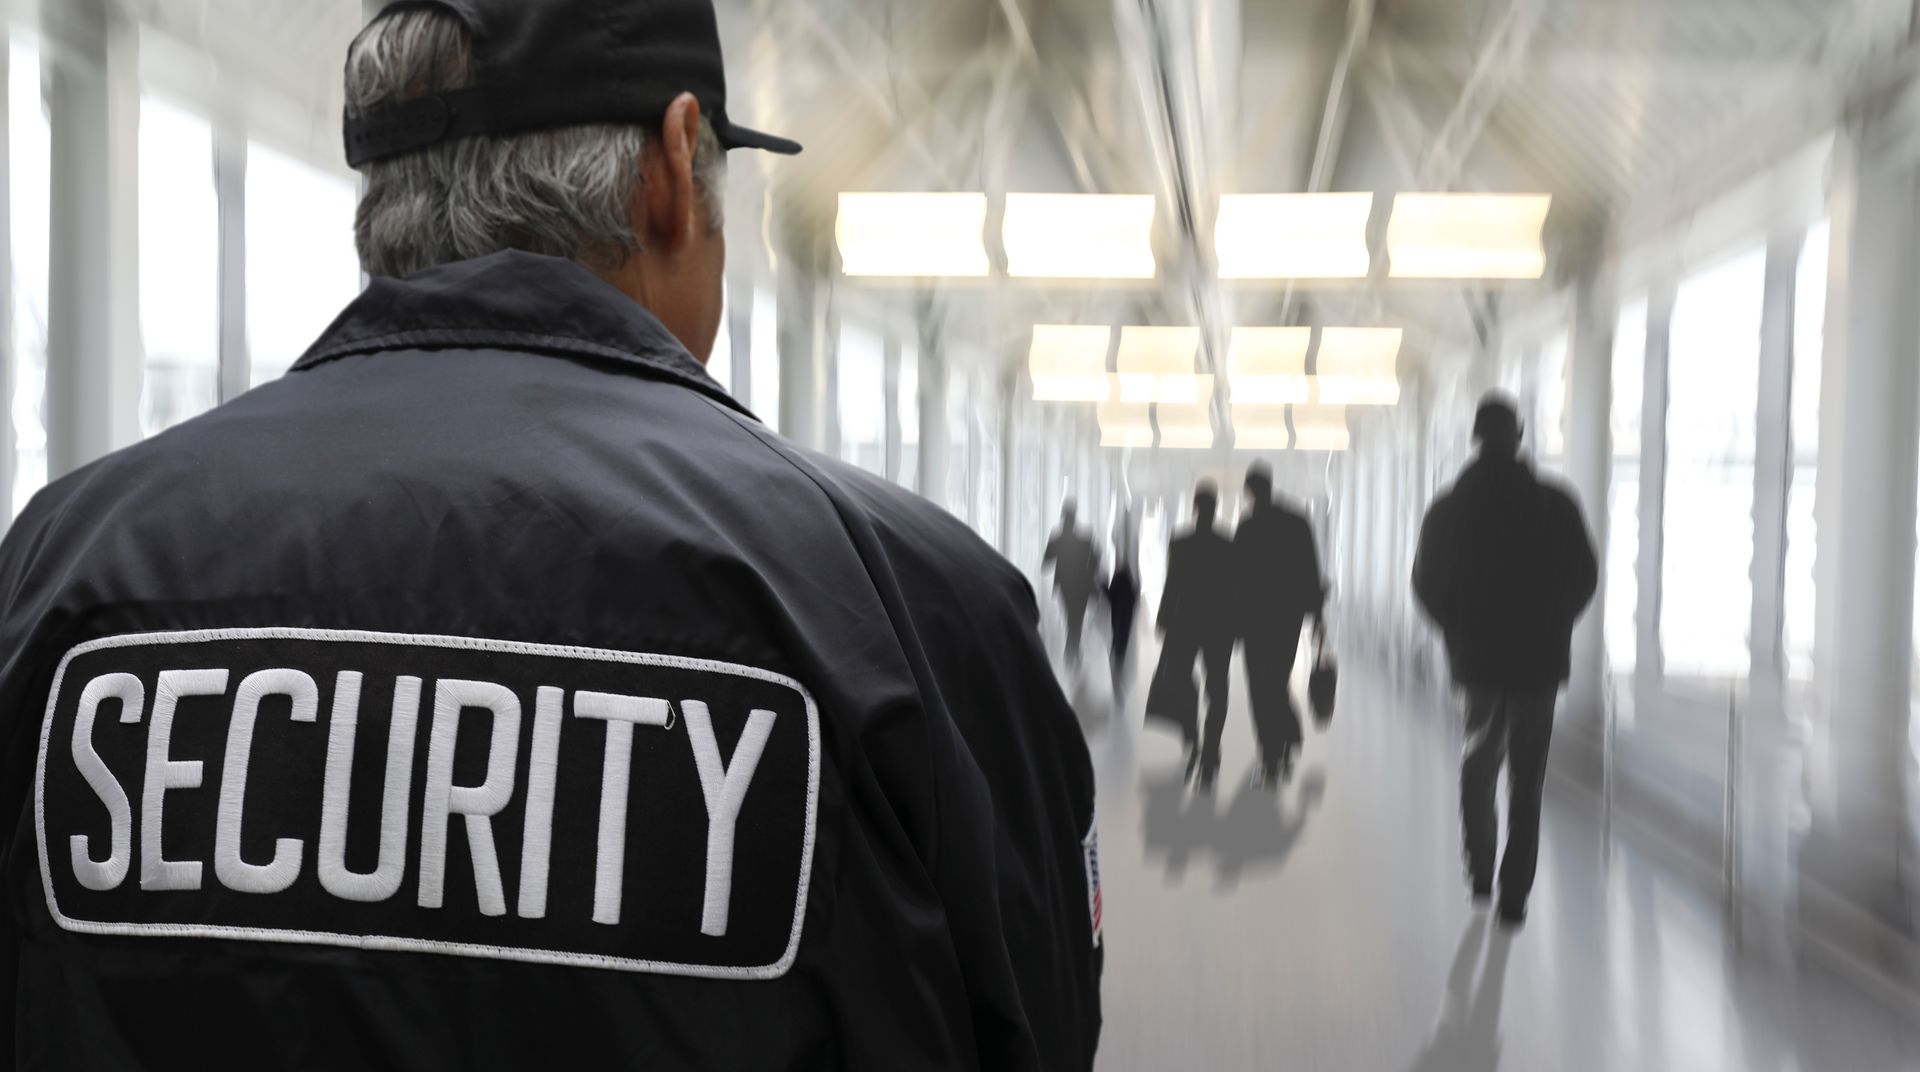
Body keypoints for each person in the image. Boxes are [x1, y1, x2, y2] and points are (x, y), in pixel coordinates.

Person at [0, 2, 1101, 1068]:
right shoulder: (913, 602)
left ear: (384, 184)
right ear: (675, 169)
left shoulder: (60, 569)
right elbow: (1033, 1024)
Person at [1413, 394, 1598, 929]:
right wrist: (1556, 622)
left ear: (1475, 439)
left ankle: (1479, 871)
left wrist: (1456, 630)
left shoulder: (1449, 508)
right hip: (1538, 664)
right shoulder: (1556, 503)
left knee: (1478, 763)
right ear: (1518, 438)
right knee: (1527, 779)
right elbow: (1584, 575)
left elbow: (1424, 582)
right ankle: (1515, 893)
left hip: (1479, 665)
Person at [1233, 462, 1326, 788]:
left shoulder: (1246, 527)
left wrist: (1233, 626)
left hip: (1254, 621)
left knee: (1260, 688)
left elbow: (1236, 580)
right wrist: (1317, 616)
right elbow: (1311, 569)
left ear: (1249, 491)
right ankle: (1285, 739)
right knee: (1277, 680)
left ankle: (1271, 755)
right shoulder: (1297, 522)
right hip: (1287, 619)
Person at [1147, 483, 1235, 789]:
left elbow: (1172, 584)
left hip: (1185, 624)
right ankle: (1210, 753)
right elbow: (1234, 592)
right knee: (1218, 688)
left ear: (1196, 507)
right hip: (1218, 627)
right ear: (1214, 508)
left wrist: (1162, 618)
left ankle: (1193, 738)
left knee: (1181, 684)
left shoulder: (1180, 543)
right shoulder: (1228, 544)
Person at [1043, 500, 1101, 667]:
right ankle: (1073, 653)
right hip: (1082, 586)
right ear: (1075, 517)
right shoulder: (1085, 538)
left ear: (1063, 518)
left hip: (1065, 586)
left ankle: (1072, 653)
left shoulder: (1058, 537)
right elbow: (1096, 558)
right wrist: (1089, 573)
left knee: (1072, 618)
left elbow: (1047, 561)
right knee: (1076, 619)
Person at [1104, 500, 1141, 699]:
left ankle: (1117, 679)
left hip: (1122, 587)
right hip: (1127, 587)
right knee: (1121, 640)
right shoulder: (1129, 534)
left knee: (1119, 639)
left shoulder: (1120, 533)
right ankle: (1118, 680)